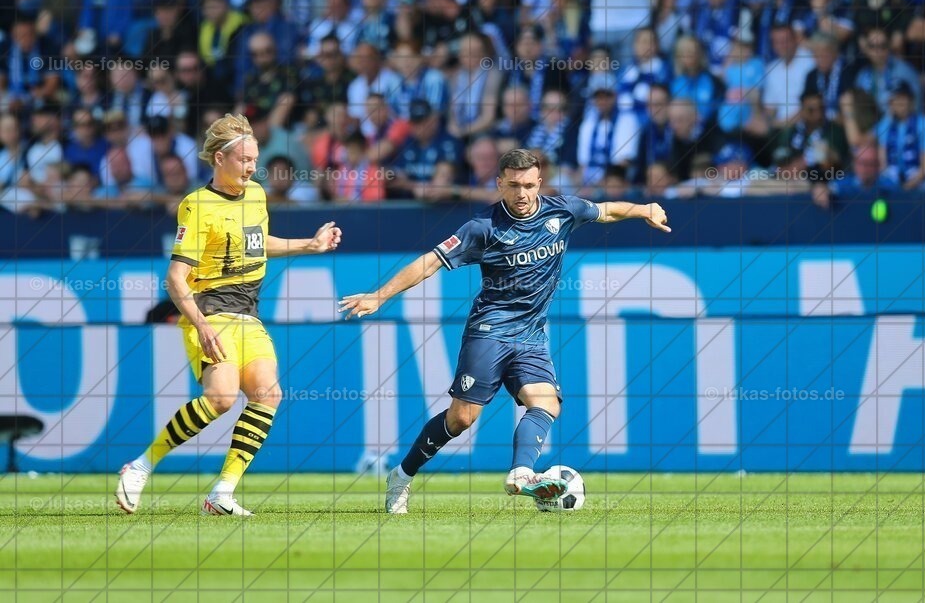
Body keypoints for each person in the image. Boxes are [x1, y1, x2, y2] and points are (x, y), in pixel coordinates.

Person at [338, 149, 671, 513]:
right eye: (513, 185)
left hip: (531, 336)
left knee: (546, 403)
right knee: (461, 419)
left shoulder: (563, 211)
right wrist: (380, 295)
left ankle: (522, 472)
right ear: (499, 184)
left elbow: (606, 210)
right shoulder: (483, 228)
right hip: (489, 331)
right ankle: (401, 476)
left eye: (528, 185)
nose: (521, 193)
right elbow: (431, 262)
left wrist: (645, 209)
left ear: (539, 183)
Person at [115, 113, 342, 517]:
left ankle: (222, 493)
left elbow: (258, 243)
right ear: (220, 159)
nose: (252, 168)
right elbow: (175, 278)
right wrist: (200, 326)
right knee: (220, 398)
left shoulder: (255, 195)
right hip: (210, 310)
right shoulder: (197, 205)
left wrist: (309, 245)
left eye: (255, 160)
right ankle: (141, 466)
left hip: (248, 313)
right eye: (245, 160)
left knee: (268, 394)